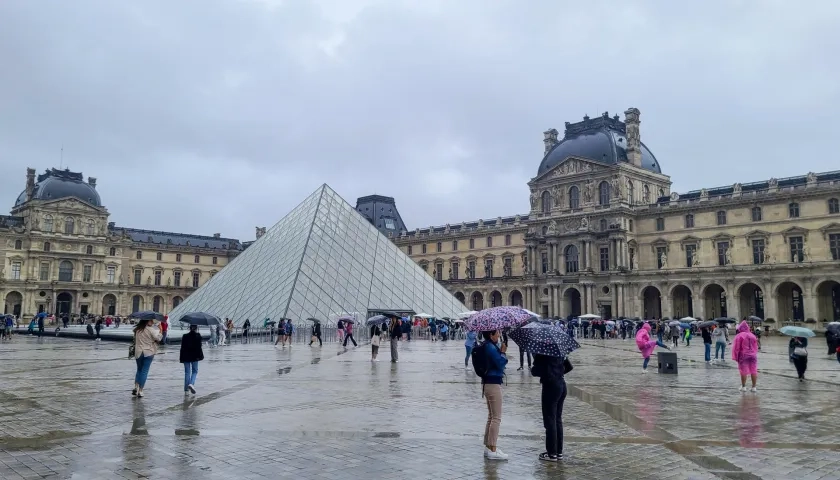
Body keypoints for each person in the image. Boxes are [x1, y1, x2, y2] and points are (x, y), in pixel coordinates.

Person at [531, 353, 569, 462]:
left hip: (550, 386)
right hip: (561, 384)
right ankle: (559, 452)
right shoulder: (558, 350)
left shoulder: (543, 353)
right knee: (557, 419)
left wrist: (536, 359)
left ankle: (552, 453)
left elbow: (535, 371)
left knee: (550, 419)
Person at [480, 330, 508, 460]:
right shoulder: (490, 347)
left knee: (491, 416)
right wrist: (502, 352)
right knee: (496, 417)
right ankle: (492, 448)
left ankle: (488, 447)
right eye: (497, 334)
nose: (499, 336)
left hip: (487, 383)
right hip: (493, 383)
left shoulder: (487, 345)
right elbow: (501, 364)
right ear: (491, 335)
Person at [132, 320, 162, 398]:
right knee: (144, 371)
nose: (152, 322)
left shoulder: (137, 329)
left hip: (138, 352)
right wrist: (161, 329)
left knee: (139, 370)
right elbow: (158, 338)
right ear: (146, 321)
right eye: (150, 320)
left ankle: (136, 387)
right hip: (148, 352)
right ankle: (140, 391)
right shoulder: (151, 330)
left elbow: (135, 340)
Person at [732, 321, 759, 392]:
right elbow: (756, 346)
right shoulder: (752, 335)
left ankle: (743, 386)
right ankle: (754, 387)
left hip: (743, 355)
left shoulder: (739, 335)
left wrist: (736, 356)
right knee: (754, 370)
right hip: (753, 355)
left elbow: (736, 348)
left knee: (743, 371)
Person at [179, 324, 204, 395]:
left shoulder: (185, 336)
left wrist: (181, 358)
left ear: (189, 328)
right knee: (195, 371)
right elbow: (200, 347)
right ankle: (191, 384)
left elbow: (182, 348)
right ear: (196, 328)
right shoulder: (198, 336)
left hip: (186, 356)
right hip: (195, 357)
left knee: (187, 372)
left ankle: (186, 390)